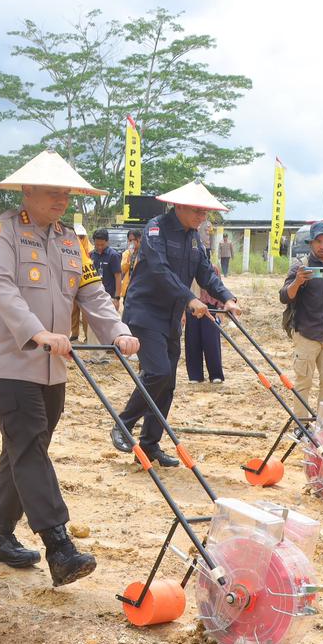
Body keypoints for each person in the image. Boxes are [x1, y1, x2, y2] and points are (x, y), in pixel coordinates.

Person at [0, 150, 138, 585]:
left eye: (67, 192)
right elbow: (2, 288)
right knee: (28, 443)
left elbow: (92, 293)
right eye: (53, 192)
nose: (62, 199)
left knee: (23, 449)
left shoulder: (70, 240)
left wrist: (117, 331)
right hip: (7, 360)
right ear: (26, 191)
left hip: (52, 367)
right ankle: (58, 545)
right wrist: (37, 332)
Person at [112, 183, 239, 466]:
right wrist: (189, 298)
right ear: (178, 206)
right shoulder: (156, 229)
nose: (201, 216)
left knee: (167, 383)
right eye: (196, 210)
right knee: (157, 372)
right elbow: (159, 270)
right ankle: (123, 423)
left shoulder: (194, 238)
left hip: (170, 317)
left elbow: (205, 271)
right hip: (144, 313)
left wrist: (227, 297)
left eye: (205, 211)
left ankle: (150, 445)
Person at [279, 221, 323, 418]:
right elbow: (284, 296)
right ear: (311, 244)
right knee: (303, 382)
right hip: (307, 335)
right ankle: (301, 426)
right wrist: (298, 282)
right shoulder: (300, 268)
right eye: (318, 241)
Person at [183, 261, 225, 383]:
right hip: (192, 308)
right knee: (192, 340)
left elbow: (219, 288)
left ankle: (215, 374)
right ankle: (195, 375)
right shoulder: (187, 269)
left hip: (210, 307)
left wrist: (221, 308)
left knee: (211, 341)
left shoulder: (213, 269)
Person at [89, 228, 122, 309]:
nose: (99, 247)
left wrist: (117, 298)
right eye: (97, 245)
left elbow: (118, 277)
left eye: (102, 245)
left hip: (109, 297)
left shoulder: (113, 255)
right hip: (94, 296)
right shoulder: (91, 255)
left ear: (107, 242)